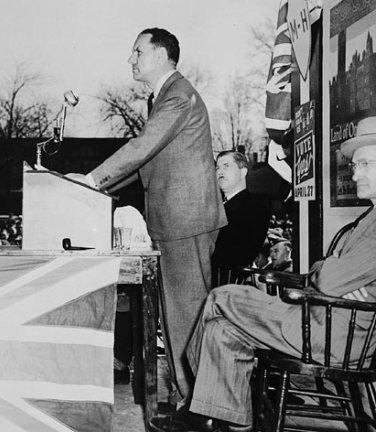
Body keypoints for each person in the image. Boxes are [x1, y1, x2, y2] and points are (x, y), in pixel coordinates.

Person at [150, 115, 376, 432]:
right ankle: (232, 421)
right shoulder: (368, 218)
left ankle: (196, 406)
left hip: (334, 335)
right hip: (321, 316)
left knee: (220, 295)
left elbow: (325, 279)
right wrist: (331, 271)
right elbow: (325, 273)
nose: (355, 174)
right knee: (220, 331)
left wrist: (328, 274)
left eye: (365, 164)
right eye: (355, 165)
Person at [69, 28, 226, 407]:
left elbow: (142, 148)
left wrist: (91, 180)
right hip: (176, 222)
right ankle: (186, 400)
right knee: (175, 317)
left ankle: (201, 408)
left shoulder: (179, 95)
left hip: (185, 222)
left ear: (161, 55)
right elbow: (146, 164)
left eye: (137, 51)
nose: (131, 59)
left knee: (186, 317)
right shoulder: (166, 98)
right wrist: (95, 186)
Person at [211, 151, 269, 271]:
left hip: (226, 281)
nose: (219, 172)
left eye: (226, 166)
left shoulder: (253, 207)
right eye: (217, 168)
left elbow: (238, 255)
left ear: (243, 172)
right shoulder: (217, 206)